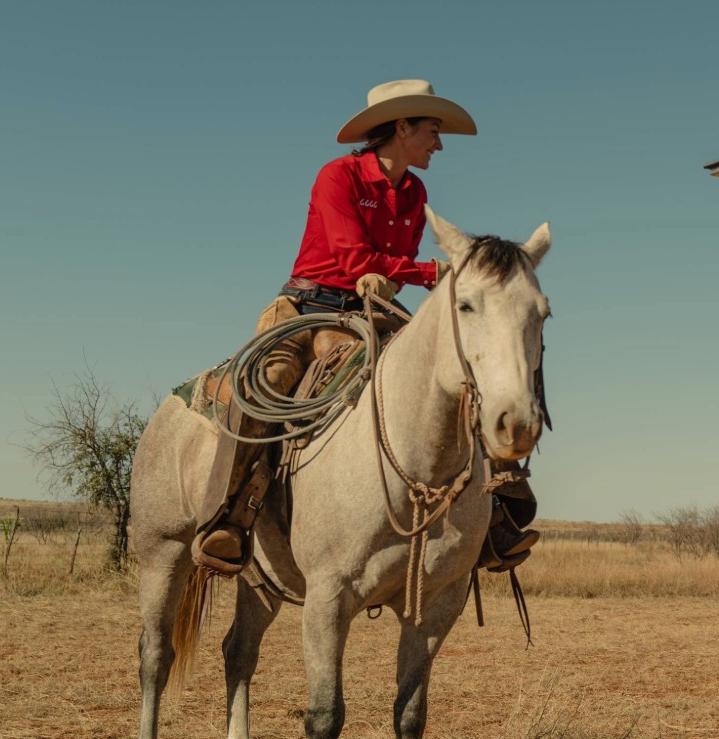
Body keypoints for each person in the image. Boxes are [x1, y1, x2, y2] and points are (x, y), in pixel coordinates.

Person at [191, 80, 539, 575]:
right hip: (309, 305)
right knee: (268, 381)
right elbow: (352, 256)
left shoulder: (414, 192)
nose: (438, 144)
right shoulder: (338, 176)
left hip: (369, 309)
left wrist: (402, 277)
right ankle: (228, 516)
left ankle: (491, 511)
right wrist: (426, 272)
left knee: (451, 374)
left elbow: (387, 267)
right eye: (432, 132)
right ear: (402, 128)